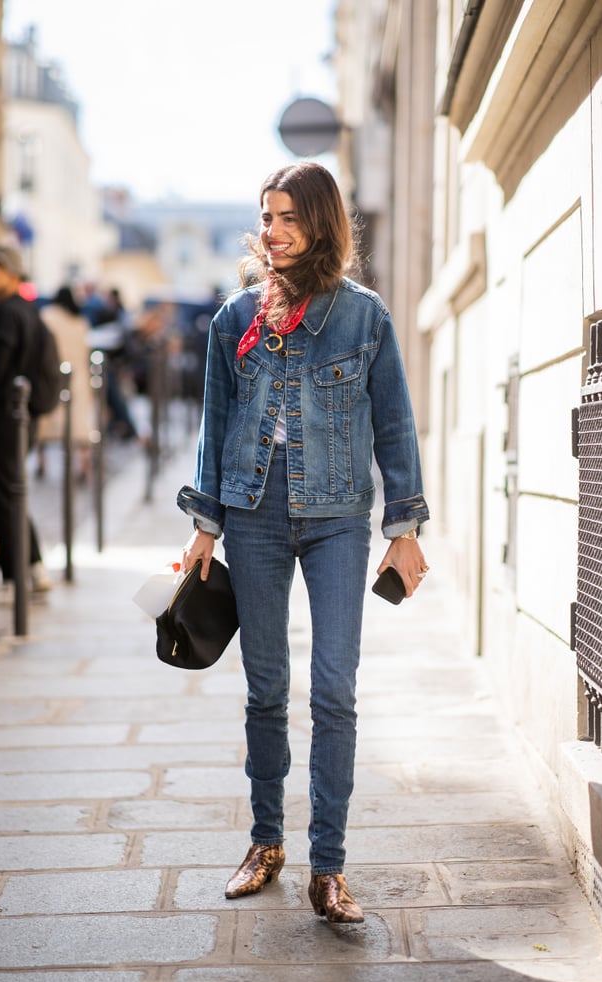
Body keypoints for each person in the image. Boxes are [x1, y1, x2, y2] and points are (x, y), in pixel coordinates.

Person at [177, 163, 430, 924]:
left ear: (321, 222)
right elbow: (214, 425)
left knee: (334, 688)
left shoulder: (363, 317)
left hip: (336, 519)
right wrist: (203, 526)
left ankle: (329, 867)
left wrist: (405, 529)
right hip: (251, 514)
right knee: (264, 688)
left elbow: (394, 424)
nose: (274, 231)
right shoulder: (234, 319)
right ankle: (265, 843)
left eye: (289, 217)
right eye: (267, 216)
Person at [0, 244, 51, 593]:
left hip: (6, 416)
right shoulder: (28, 311)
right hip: (22, 417)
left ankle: (19, 576)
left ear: (14, 273)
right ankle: (31, 565)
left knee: (3, 494)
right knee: (11, 491)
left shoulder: (7, 314)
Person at [36, 286, 93, 482]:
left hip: (53, 373)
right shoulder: (81, 321)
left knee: (46, 423)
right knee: (79, 424)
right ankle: (84, 463)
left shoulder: (47, 316)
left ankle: (41, 462)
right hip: (79, 375)